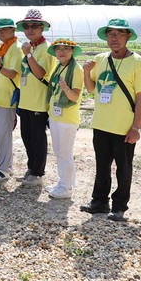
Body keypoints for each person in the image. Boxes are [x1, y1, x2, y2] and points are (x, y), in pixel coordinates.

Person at [81, 18, 141, 221]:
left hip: (124, 126)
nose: (115, 38)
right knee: (101, 165)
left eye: (120, 34)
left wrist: (136, 127)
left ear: (128, 36)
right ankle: (99, 202)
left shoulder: (138, 62)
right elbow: (92, 88)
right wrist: (86, 72)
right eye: (111, 34)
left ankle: (119, 206)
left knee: (123, 167)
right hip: (101, 123)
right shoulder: (100, 58)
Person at [15, 9, 55, 186]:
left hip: (39, 101)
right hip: (26, 100)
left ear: (42, 28)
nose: (30, 30)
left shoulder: (46, 49)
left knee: (38, 138)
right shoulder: (31, 47)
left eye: (34, 26)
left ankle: (38, 172)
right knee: (27, 136)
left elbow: (41, 73)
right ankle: (31, 168)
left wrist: (28, 55)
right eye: (27, 26)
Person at [44, 38, 84, 198]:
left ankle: (67, 187)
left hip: (67, 118)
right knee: (58, 151)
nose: (61, 52)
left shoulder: (76, 69)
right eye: (58, 49)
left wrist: (66, 89)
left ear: (72, 51)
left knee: (65, 152)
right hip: (55, 115)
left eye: (66, 49)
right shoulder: (59, 67)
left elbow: (74, 97)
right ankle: (62, 182)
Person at [0, 18, 22, 182]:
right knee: (0, 132)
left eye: (4, 30)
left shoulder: (15, 48)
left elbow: (13, 73)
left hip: (6, 97)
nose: (1, 32)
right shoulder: (2, 47)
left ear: (13, 30)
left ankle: (5, 168)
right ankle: (4, 164)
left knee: (4, 133)